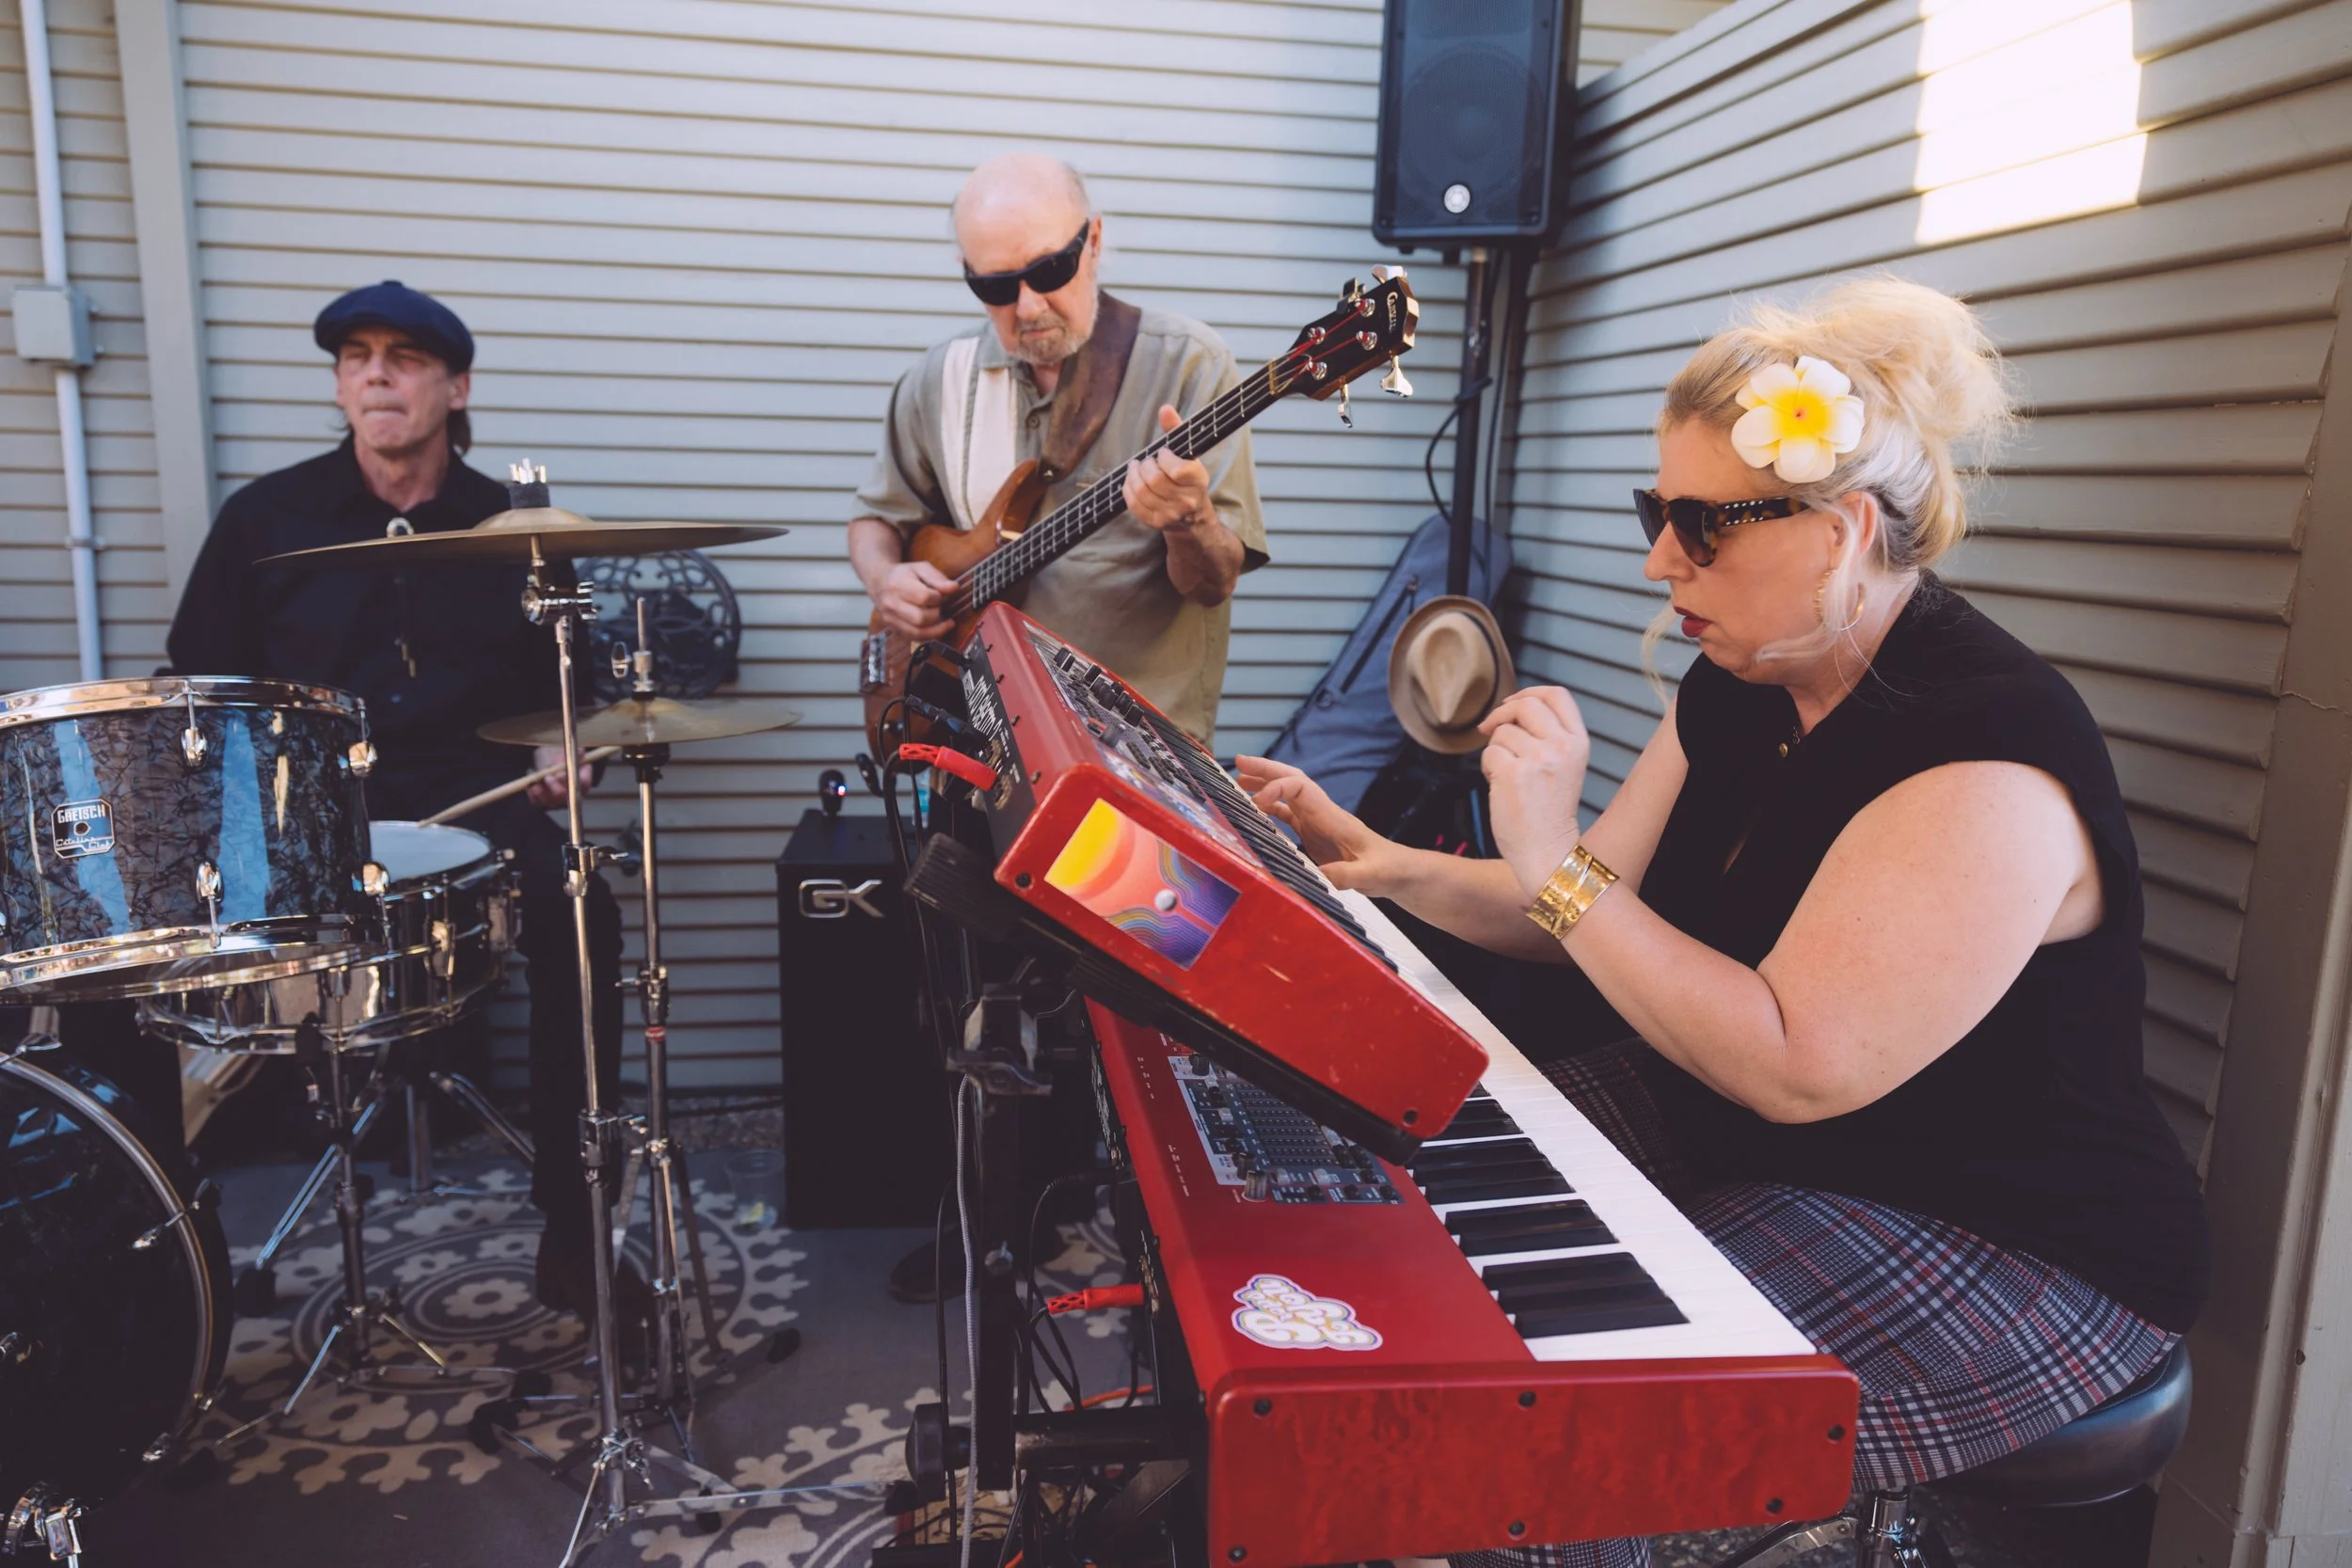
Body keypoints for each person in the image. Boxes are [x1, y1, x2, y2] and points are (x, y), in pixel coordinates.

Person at [1240, 278, 2209, 1567]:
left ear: (1840, 530)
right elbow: (1578, 910)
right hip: (1756, 1126)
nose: (1660, 561)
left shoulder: (1986, 749)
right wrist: (1378, 864)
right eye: (1657, 513)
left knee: (1555, 1431)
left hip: (2002, 1229)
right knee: (1399, 1188)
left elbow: (1793, 1061)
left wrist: (1547, 852)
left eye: (1700, 525)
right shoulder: (1743, 678)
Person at [162, 280, 631, 1323]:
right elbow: (200, 683)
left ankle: (575, 1223)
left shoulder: (518, 529)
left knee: (582, 909)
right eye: (356, 358)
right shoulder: (264, 519)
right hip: (311, 809)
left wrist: (561, 747)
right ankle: (175, 1255)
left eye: (404, 358)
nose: (376, 375)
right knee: (152, 936)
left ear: (455, 388)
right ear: (339, 385)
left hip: (475, 798)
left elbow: (567, 694)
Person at [849, 151, 1268, 746]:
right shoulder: (938, 380)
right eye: (995, 285)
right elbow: (875, 518)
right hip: (979, 744)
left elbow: (1212, 583)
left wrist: (1190, 520)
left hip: (1135, 753)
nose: (1028, 307)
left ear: (1093, 241)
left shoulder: (1189, 365)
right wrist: (885, 579)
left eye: (1049, 270)